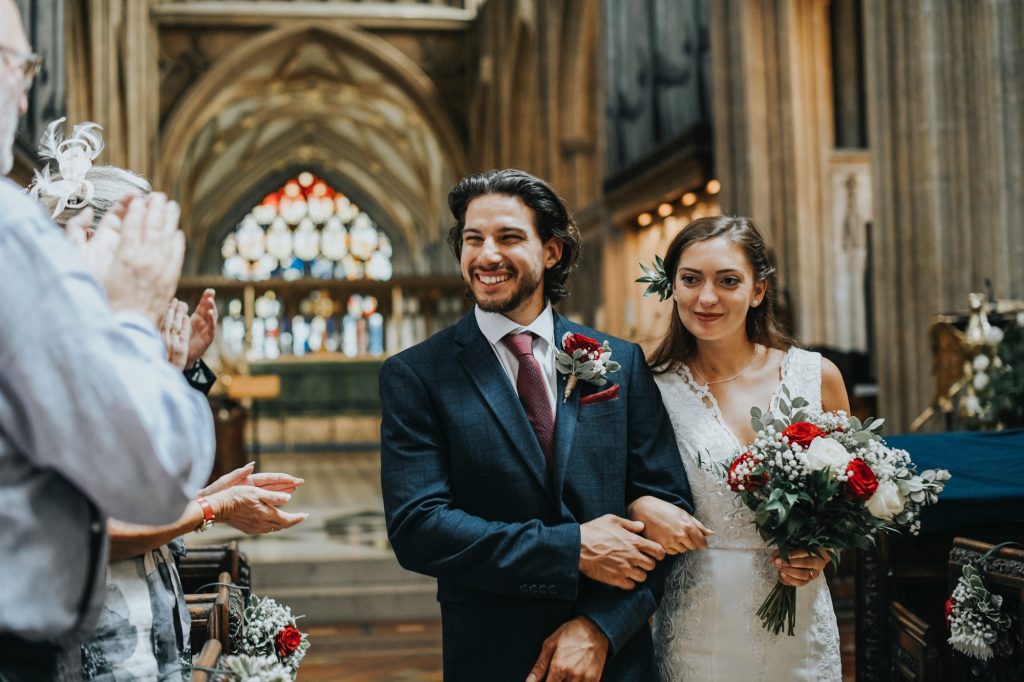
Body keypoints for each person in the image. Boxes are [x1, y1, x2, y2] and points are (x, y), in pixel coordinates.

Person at [380, 169, 702, 682]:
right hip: (495, 656)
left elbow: (670, 510)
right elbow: (419, 529)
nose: (486, 255)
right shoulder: (417, 375)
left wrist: (600, 628)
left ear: (552, 251)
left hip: (616, 660)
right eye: (472, 239)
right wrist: (571, 549)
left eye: (508, 237)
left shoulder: (620, 361)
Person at [26, 129, 309, 680]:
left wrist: (207, 495)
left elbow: (117, 500)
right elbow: (85, 532)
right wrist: (209, 511)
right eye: (145, 257)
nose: (158, 280)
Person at [0, 3, 215, 679]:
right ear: (81, 240)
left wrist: (174, 366)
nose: (28, 86)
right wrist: (123, 318)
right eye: (14, 61)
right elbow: (144, 476)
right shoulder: (15, 240)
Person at [633, 215, 849, 680]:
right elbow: (616, 486)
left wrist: (822, 550)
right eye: (691, 280)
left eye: (728, 281)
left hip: (799, 625)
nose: (706, 297)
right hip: (699, 626)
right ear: (672, 286)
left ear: (758, 290)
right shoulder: (650, 386)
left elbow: (849, 501)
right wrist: (640, 503)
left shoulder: (817, 377)